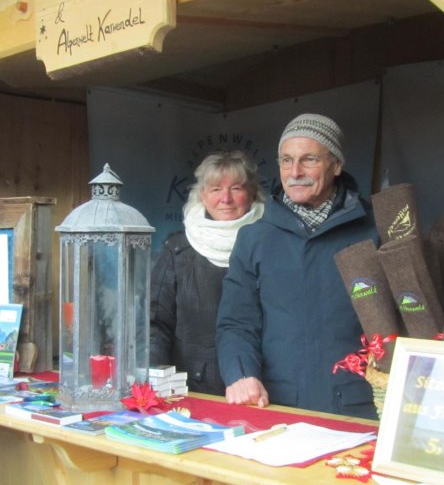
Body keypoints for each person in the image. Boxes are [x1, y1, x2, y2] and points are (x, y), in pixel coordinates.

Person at [216, 113, 379, 417]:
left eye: (309, 160)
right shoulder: (255, 238)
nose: (295, 172)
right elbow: (236, 323)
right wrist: (240, 374)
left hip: (360, 405)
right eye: (286, 161)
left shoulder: (375, 230)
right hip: (277, 404)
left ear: (337, 164)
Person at [150, 151, 265, 395]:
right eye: (215, 189)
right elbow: (155, 323)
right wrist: (155, 380)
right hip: (194, 390)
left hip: (260, 389)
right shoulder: (177, 249)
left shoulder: (272, 244)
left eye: (236, 188)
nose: (226, 198)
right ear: (202, 195)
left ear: (252, 193)